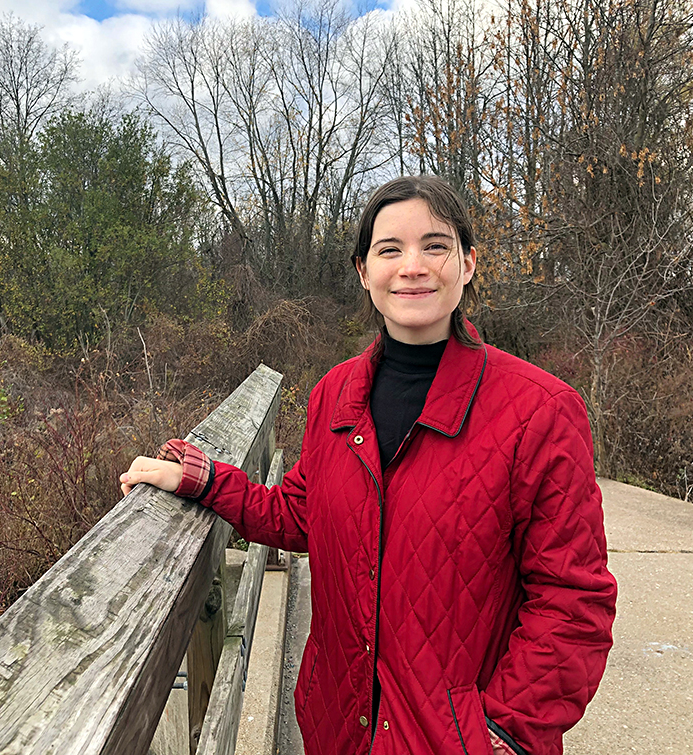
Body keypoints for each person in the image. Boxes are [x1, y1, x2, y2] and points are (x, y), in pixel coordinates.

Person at [121, 176, 617, 755]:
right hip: (337, 726)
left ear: (468, 263)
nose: (413, 266)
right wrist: (200, 479)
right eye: (390, 249)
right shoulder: (335, 395)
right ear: (363, 270)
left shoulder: (540, 412)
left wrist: (503, 732)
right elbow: (302, 514)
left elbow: (573, 602)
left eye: (436, 246)